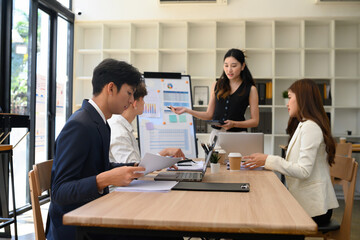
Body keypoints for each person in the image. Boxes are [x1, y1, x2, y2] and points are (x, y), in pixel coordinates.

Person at [47, 59, 146, 240]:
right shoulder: (79, 125)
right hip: (75, 228)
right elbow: (59, 192)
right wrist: (104, 179)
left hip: (92, 215)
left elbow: (96, 167)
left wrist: (131, 167)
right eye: (129, 93)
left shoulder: (100, 122)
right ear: (110, 88)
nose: (132, 100)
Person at [243, 79, 339, 226]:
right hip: (308, 203)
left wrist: (268, 159)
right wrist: (266, 160)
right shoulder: (303, 125)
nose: (287, 103)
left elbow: (303, 171)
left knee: (259, 218)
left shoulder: (310, 127)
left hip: (316, 209)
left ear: (302, 98)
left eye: (290, 97)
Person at [170, 48, 259, 142]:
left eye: (233, 66)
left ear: (242, 66)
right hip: (216, 136)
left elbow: (255, 121)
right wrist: (186, 110)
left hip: (238, 136)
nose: (229, 70)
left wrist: (234, 124)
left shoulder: (251, 89)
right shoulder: (217, 85)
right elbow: (208, 115)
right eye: (226, 65)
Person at [108, 81, 185, 164]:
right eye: (142, 99)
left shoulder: (122, 126)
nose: (144, 103)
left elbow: (136, 165)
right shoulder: (119, 132)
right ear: (134, 103)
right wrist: (165, 153)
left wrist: (163, 156)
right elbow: (134, 169)